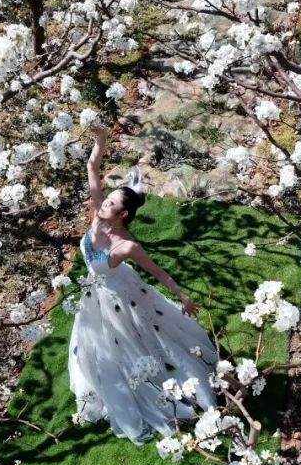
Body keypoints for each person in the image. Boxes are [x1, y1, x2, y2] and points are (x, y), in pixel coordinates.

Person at [67, 124, 217, 444]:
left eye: (110, 204)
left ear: (122, 215)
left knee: (140, 342)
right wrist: (101, 138)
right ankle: (135, 185)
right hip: (96, 293)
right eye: (106, 200)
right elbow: (92, 168)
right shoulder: (99, 215)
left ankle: (175, 386)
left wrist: (184, 298)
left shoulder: (127, 246)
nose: (103, 204)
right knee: (99, 348)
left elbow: (160, 274)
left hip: (122, 297)